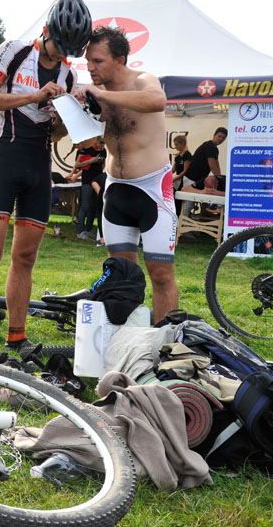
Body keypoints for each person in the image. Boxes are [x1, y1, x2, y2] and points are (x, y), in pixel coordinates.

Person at [0, 0, 92, 359]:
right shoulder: (14, 51)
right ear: (47, 30)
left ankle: (16, 338)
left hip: (38, 165)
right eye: (58, 48)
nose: (61, 57)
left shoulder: (69, 74)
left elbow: (56, 135)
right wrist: (34, 96)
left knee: (25, 257)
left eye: (68, 52)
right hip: (3, 157)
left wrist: (65, 118)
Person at [72, 25, 178, 323]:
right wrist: (78, 110)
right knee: (121, 275)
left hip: (152, 190)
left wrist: (103, 95)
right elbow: (86, 142)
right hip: (115, 189)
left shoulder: (143, 80)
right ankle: (126, 339)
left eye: (98, 61)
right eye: (88, 61)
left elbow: (157, 101)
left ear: (119, 60)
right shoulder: (96, 93)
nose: (90, 68)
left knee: (161, 274)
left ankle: (165, 340)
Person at [69, 137, 106, 240]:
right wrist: (91, 160)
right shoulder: (86, 149)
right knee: (85, 205)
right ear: (96, 140)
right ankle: (80, 231)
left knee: (93, 207)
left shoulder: (104, 150)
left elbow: (103, 164)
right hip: (87, 180)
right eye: (101, 143)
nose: (102, 145)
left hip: (97, 180)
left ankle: (88, 230)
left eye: (104, 143)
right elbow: (78, 164)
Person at [183, 127, 227, 192]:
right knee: (189, 198)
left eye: (223, 138)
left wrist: (219, 178)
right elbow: (213, 166)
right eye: (219, 136)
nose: (221, 139)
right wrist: (219, 180)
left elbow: (217, 165)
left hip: (199, 179)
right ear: (214, 135)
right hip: (191, 178)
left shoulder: (215, 149)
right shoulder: (209, 146)